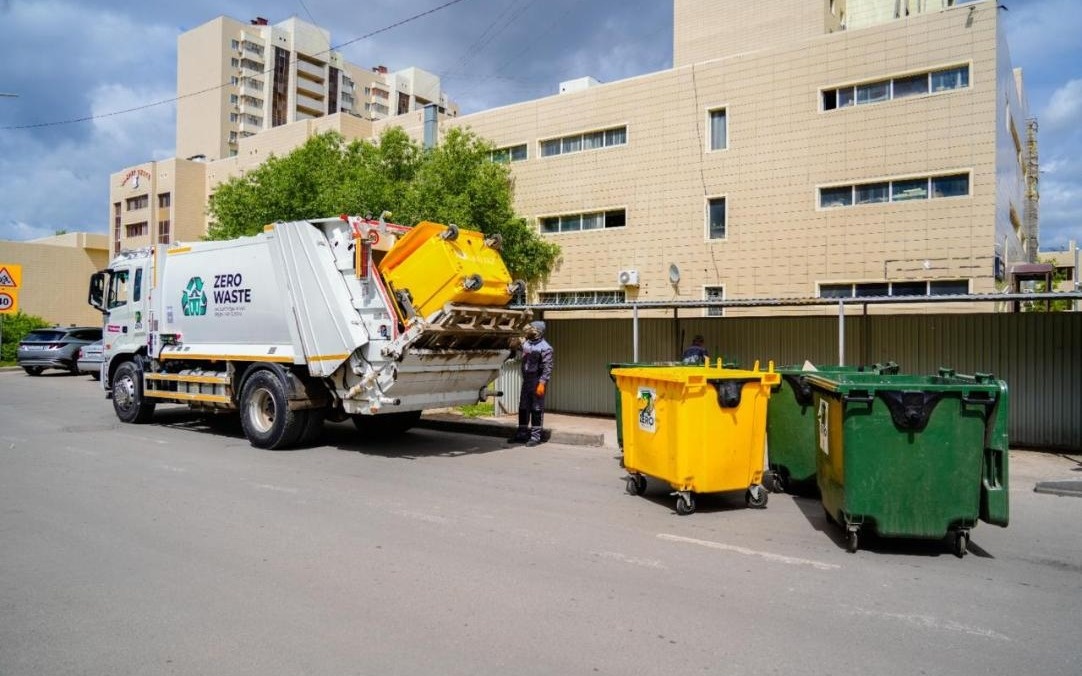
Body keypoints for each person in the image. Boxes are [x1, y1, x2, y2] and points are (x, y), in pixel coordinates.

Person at [508, 320, 554, 447]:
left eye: (532, 328)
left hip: (537, 380)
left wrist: (542, 383)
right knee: (523, 407)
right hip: (527, 380)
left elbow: (547, 367)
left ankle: (535, 437)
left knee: (536, 409)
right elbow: (515, 346)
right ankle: (521, 434)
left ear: (538, 332)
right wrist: (514, 342)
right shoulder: (527, 343)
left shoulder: (546, 348)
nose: (529, 330)